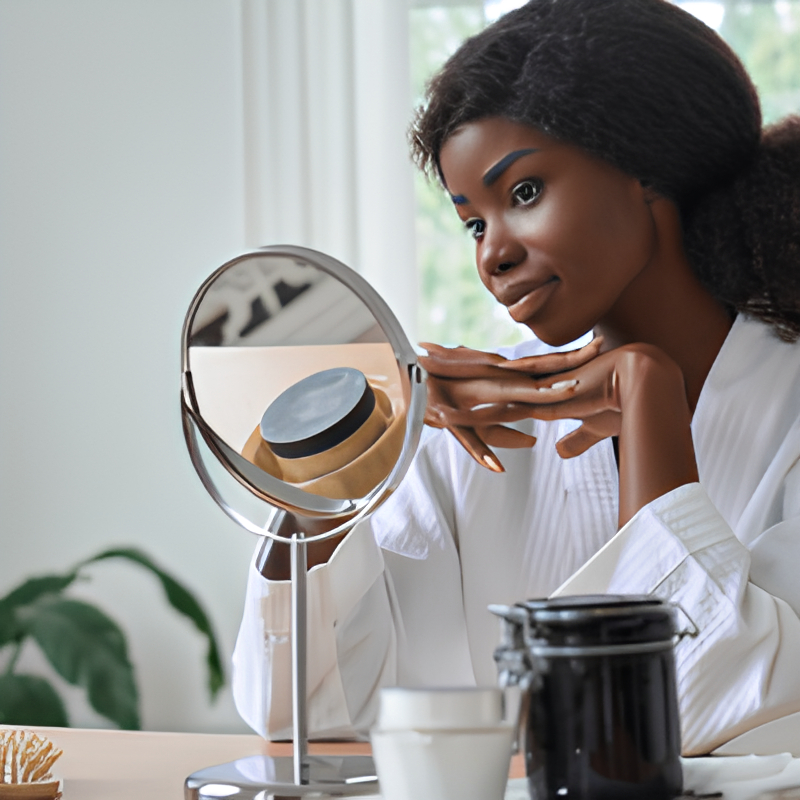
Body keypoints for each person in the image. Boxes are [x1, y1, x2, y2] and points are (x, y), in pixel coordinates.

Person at [232, 0, 800, 755]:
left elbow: (696, 713)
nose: (491, 255)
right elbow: (297, 704)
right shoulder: (476, 439)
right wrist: (336, 462)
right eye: (473, 221)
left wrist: (651, 401)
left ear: (648, 169)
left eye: (523, 193)